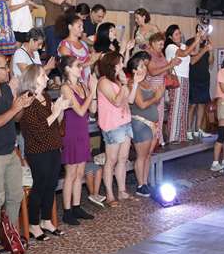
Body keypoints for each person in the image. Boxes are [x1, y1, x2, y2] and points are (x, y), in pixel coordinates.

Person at [0, 53, 36, 249]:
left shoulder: (5, 88)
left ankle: (10, 232)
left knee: (15, 195)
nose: (8, 70)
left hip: (11, 150)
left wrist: (21, 106)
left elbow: (16, 118)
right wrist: (13, 109)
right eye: (4, 67)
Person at [19, 65, 69, 239]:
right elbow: (38, 129)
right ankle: (33, 224)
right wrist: (55, 113)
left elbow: (55, 123)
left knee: (51, 184)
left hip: (53, 145)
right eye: (43, 75)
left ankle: (46, 220)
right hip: (38, 149)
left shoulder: (46, 96)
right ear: (33, 79)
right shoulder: (27, 100)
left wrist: (60, 110)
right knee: (40, 185)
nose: (47, 78)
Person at [59, 55, 98, 224]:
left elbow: (93, 109)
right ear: (67, 69)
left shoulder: (82, 85)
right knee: (71, 173)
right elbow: (81, 111)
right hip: (71, 132)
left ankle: (76, 206)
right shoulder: (65, 88)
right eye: (77, 66)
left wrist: (92, 92)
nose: (81, 68)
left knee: (80, 172)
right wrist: (92, 91)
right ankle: (67, 211)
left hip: (82, 131)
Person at [98, 52, 138, 206]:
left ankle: (122, 191)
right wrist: (123, 85)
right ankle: (109, 194)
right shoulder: (104, 82)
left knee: (123, 158)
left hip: (125, 122)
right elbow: (115, 101)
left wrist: (134, 83)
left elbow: (130, 100)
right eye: (120, 62)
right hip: (112, 125)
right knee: (111, 160)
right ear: (113, 64)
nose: (123, 65)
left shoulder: (117, 80)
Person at [127, 52, 164, 197]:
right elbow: (141, 105)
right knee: (141, 156)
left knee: (148, 155)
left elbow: (154, 101)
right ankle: (140, 184)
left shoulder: (147, 82)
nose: (145, 68)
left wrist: (158, 95)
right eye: (141, 66)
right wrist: (156, 97)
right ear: (134, 70)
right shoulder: (133, 84)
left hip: (152, 123)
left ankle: (145, 182)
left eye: (144, 66)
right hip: (140, 123)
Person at [164, 26, 201, 143]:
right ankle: (172, 136)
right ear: (170, 37)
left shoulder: (183, 45)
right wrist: (196, 40)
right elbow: (184, 54)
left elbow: (194, 52)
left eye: (179, 33)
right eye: (176, 34)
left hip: (185, 78)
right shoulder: (170, 47)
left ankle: (181, 135)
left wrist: (198, 40)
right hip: (176, 78)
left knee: (183, 107)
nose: (179, 35)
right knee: (176, 107)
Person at [147, 32, 180, 148]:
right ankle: (151, 139)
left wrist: (172, 64)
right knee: (152, 115)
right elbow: (152, 72)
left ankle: (158, 138)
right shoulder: (148, 54)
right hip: (151, 88)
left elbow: (165, 69)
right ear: (152, 43)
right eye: (160, 44)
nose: (162, 47)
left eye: (163, 44)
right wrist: (169, 65)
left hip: (161, 86)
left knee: (160, 115)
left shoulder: (160, 53)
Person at [58, 8, 95, 84]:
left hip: (86, 83)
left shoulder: (83, 44)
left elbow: (89, 64)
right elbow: (69, 67)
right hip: (72, 84)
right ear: (70, 27)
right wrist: (91, 61)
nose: (82, 29)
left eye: (82, 27)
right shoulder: (65, 45)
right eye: (79, 26)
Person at [187, 35, 213, 139]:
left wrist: (211, 50)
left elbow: (211, 62)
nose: (206, 34)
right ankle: (189, 130)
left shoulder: (206, 43)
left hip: (205, 78)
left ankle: (198, 130)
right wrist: (205, 49)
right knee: (192, 105)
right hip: (194, 78)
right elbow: (192, 61)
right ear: (199, 30)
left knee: (202, 104)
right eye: (204, 30)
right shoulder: (191, 42)